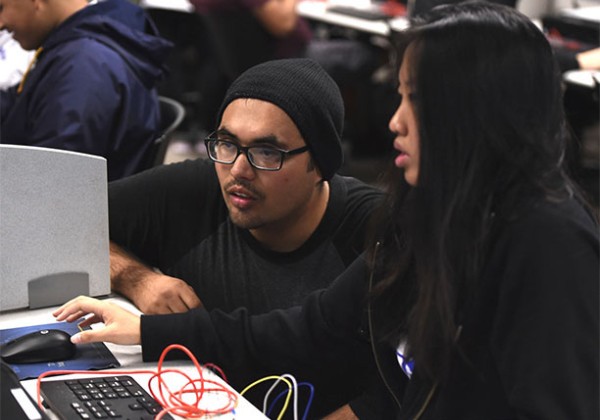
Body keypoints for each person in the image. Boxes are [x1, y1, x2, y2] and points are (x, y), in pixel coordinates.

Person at [55, 2, 599, 419]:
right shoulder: (430, 217)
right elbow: (307, 331)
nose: (394, 121)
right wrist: (148, 329)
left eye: (414, 99)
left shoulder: (547, 242)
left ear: (473, 112)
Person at [108, 57, 385, 316]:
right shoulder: (193, 191)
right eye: (227, 144)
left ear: (321, 165)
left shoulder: (372, 229)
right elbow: (67, 220)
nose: (239, 171)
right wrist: (136, 279)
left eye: (266, 152)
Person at [0, 0, 172, 181]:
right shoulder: (76, 48)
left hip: (54, 202)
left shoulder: (83, 67)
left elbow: (52, 181)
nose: (1, 23)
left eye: (1, 8)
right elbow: (18, 105)